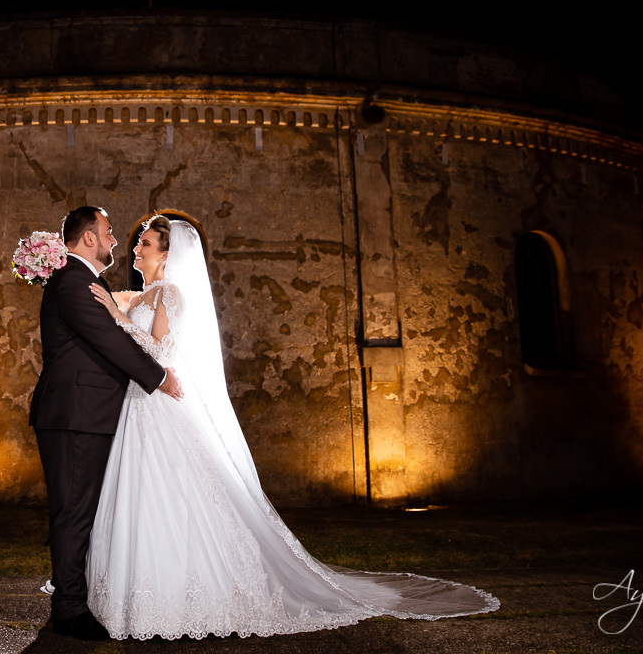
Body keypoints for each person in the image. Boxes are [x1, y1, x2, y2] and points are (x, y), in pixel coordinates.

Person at [84, 215, 501, 640]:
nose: (136, 248)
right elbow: (103, 301)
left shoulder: (171, 294)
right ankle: (134, 593)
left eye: (146, 243)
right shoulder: (144, 295)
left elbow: (164, 351)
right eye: (137, 242)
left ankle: (185, 595)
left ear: (168, 255)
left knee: (172, 495)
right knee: (141, 494)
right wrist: (96, 291)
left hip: (161, 407)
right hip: (138, 408)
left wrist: (119, 315)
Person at [28, 206, 182, 640]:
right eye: (110, 233)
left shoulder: (84, 282)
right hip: (76, 413)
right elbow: (110, 342)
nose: (116, 241)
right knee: (75, 512)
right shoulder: (76, 283)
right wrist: (159, 378)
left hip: (84, 413)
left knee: (80, 511)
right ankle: (70, 611)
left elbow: (115, 336)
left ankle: (74, 597)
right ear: (89, 239)